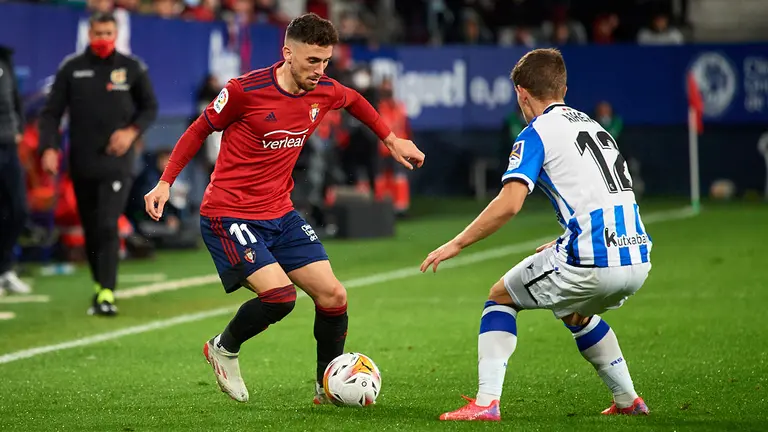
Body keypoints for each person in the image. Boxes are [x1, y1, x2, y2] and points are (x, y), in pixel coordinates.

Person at [143, 13, 424, 404]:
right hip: (229, 213)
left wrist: (392, 139)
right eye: (312, 61)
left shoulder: (323, 90)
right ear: (287, 53)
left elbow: (356, 101)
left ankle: (325, 387)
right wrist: (165, 182)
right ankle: (223, 348)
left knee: (333, 296)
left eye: (326, 61)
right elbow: (198, 129)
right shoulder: (245, 90)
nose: (320, 70)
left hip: (279, 211)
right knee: (280, 297)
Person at [420, 48, 651, 421]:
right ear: (563, 87)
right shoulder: (594, 126)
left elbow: (510, 203)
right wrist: (564, 241)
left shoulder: (536, 132)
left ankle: (485, 403)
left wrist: (457, 242)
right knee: (574, 312)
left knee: (500, 297)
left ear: (522, 93)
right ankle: (629, 400)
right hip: (637, 255)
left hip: (592, 258)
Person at [38, 11, 158, 316]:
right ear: (88, 35)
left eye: (108, 33)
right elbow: (51, 113)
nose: (102, 39)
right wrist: (49, 147)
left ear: (115, 35)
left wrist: (131, 132)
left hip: (116, 163)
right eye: (97, 34)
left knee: (106, 223)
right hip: (81, 161)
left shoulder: (131, 68)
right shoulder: (72, 68)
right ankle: (99, 286)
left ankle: (107, 293)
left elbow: (150, 107)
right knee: (91, 227)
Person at [0, 44, 32, 295]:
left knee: (18, 209)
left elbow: (14, 101)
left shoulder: (4, 59)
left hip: (9, 145)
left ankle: (5, 268)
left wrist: (19, 128)